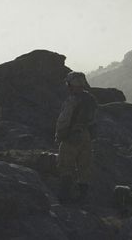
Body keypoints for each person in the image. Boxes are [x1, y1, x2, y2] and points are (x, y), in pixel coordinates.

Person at [55, 71, 98, 203]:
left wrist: (60, 135)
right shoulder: (90, 99)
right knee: (84, 167)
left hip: (71, 136)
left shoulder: (72, 100)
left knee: (65, 165)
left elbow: (64, 119)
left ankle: (65, 196)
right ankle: (82, 197)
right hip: (86, 135)